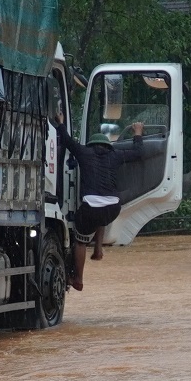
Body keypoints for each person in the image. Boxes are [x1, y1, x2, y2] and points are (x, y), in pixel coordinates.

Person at [52, 113, 145, 290]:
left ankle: (78, 278)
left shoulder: (84, 152)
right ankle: (98, 250)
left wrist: (61, 122)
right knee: (99, 215)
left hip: (92, 208)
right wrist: (138, 133)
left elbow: (65, 140)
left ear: (92, 145)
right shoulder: (115, 155)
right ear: (107, 145)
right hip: (112, 208)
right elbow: (139, 153)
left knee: (80, 241)